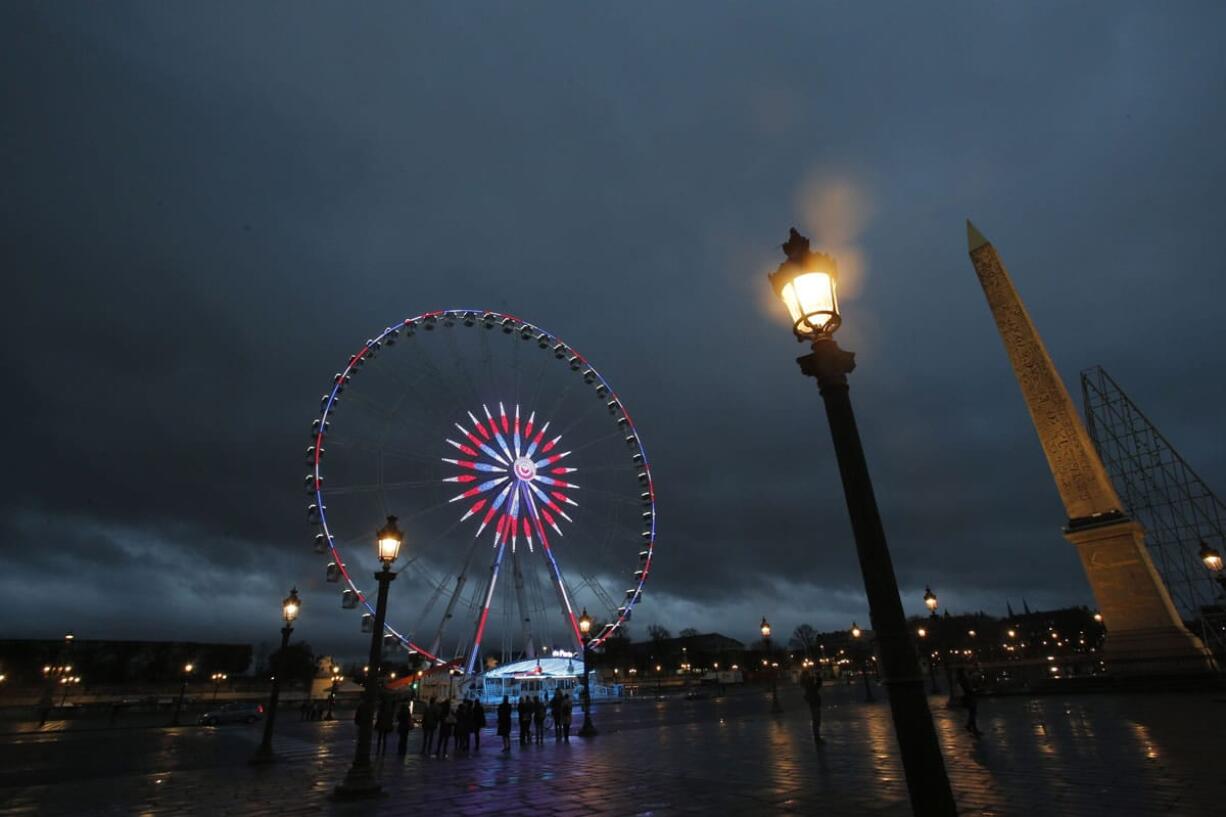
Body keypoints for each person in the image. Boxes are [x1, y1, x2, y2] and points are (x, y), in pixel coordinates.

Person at [957, 668, 983, 738]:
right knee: (973, 713)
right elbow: (968, 689)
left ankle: (973, 728)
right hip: (969, 698)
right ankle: (970, 727)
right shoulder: (964, 680)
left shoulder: (962, 680)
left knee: (972, 713)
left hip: (967, 698)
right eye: (965, 671)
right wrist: (975, 690)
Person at [802, 671, 823, 745]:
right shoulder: (810, 686)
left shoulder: (809, 686)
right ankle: (817, 738)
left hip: (814, 704)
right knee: (816, 721)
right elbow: (818, 685)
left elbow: (818, 685)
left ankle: (817, 737)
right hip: (815, 705)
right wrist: (817, 677)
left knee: (816, 721)